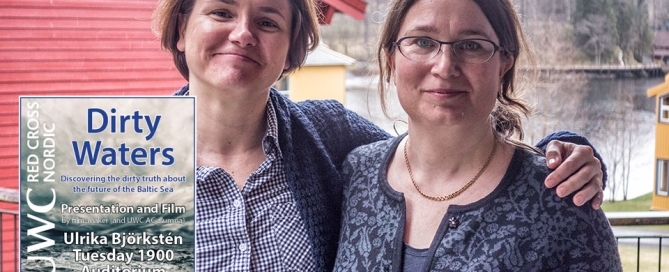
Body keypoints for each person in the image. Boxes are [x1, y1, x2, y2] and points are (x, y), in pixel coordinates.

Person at [151, 0, 609, 270]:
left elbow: (442, 142)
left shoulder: (328, 137)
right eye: (220, 11)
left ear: (291, 50)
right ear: (180, 32)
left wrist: (565, 153)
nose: (244, 33)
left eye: (268, 21)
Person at [334, 0, 621, 270]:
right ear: (391, 60)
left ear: (504, 64)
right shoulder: (355, 175)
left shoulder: (563, 204)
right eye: (422, 42)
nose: (445, 66)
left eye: (471, 45)